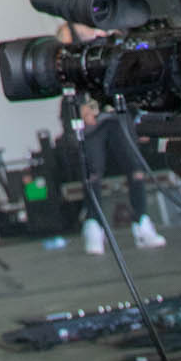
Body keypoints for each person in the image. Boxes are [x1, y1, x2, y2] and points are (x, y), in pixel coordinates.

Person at [56, 23, 166, 253]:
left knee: (135, 166)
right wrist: (80, 106)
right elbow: (62, 65)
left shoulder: (110, 30)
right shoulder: (69, 30)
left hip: (115, 109)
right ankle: (94, 225)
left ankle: (142, 222)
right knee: (92, 171)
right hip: (88, 113)